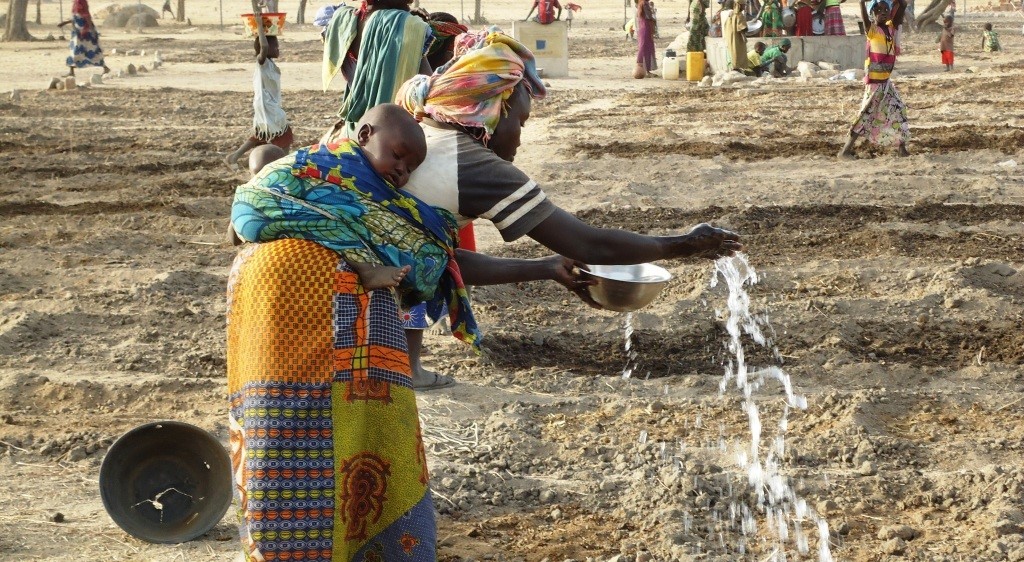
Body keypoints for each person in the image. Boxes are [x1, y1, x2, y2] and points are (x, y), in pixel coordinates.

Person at [228, 30, 741, 562]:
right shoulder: (471, 164)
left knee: (284, 434)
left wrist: (543, 270)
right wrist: (682, 244)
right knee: (361, 447)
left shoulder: (398, 139)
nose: (522, 129)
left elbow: (434, 259)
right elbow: (587, 241)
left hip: (265, 286)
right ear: (491, 111)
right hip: (334, 298)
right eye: (519, 115)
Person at [232, 104, 439, 293]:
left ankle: (233, 227)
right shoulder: (347, 162)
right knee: (345, 218)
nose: (401, 169)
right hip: (267, 205)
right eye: (396, 155)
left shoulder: (329, 155)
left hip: (245, 209)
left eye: (410, 169)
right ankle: (366, 270)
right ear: (365, 135)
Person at [321, 0, 432, 139]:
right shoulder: (408, 27)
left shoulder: (342, 20)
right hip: (394, 132)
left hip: (355, 127)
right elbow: (428, 88)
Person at [838, 0, 909, 158]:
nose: (882, 12)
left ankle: (901, 148)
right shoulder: (872, 30)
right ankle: (845, 151)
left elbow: (903, 7)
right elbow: (864, 16)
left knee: (899, 110)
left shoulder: (891, 28)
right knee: (865, 116)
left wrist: (900, 4)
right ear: (872, 14)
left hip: (886, 83)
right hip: (875, 84)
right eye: (877, 10)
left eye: (885, 9)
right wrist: (862, 3)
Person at [224, 36, 293, 172]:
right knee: (285, 134)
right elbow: (265, 47)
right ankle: (286, 166)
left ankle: (234, 157)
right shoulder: (262, 63)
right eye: (275, 47)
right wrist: (260, 24)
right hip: (267, 106)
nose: (278, 49)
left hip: (268, 105)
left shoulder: (270, 64)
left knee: (261, 134)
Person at [57, 0, 111, 77]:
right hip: (77, 31)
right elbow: (76, 17)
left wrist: (91, 30)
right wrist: (64, 23)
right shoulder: (76, 3)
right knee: (75, 50)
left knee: (91, 50)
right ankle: (71, 71)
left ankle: (105, 68)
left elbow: (86, 16)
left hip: (85, 32)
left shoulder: (81, 2)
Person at [724, 1, 749, 71]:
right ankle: (737, 67)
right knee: (738, 52)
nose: (745, 6)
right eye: (744, 5)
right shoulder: (739, 15)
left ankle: (734, 66)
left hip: (730, 37)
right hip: (737, 37)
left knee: (732, 51)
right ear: (739, 5)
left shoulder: (731, 14)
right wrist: (744, 38)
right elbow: (741, 28)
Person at [635, 0, 658, 77]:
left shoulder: (641, 3)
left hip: (643, 28)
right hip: (646, 28)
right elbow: (649, 17)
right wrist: (653, 15)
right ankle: (644, 70)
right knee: (646, 48)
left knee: (644, 48)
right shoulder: (644, 4)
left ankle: (643, 69)